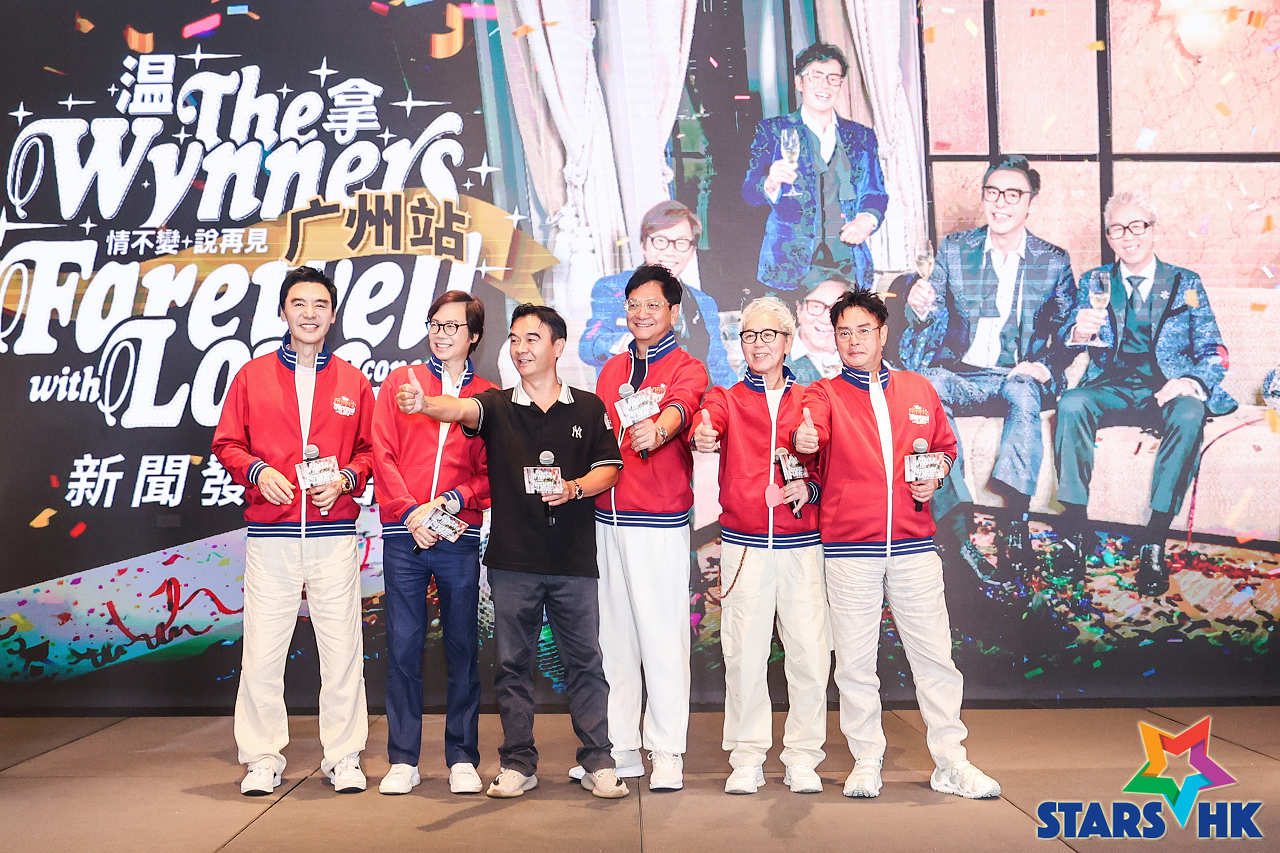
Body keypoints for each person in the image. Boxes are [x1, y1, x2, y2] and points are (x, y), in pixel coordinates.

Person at [395, 303, 629, 800]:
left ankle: (598, 760)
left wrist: (574, 488)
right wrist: (425, 404)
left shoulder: (588, 407)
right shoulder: (497, 405)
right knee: (512, 666)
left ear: (558, 347)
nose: (521, 349)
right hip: (512, 562)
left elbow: (610, 468)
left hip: (572, 561)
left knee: (585, 662)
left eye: (532, 339)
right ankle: (518, 763)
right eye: (515, 340)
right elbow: (460, 409)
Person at [795, 287, 1001, 800]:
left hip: (913, 549)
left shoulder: (917, 388)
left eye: (864, 330)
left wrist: (936, 475)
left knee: (935, 659)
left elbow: (945, 448)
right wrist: (805, 439)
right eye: (844, 333)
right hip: (850, 552)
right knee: (855, 664)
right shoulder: (822, 394)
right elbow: (810, 435)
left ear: (883, 334)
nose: (854, 341)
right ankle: (866, 760)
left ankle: (952, 762)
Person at [212, 266, 375, 796]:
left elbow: (371, 451)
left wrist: (346, 480)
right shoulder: (252, 376)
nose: (309, 313)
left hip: (334, 535)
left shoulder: (352, 381)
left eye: (319, 304)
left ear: (332, 314)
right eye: (299, 304)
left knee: (343, 650)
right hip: (271, 537)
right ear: (283, 311)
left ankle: (344, 756)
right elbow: (227, 443)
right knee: (262, 652)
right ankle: (262, 758)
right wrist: (258, 472)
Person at [898, 155, 1075, 578]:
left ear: (1030, 202)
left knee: (1024, 392)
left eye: (1013, 195)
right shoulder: (955, 250)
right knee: (921, 392)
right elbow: (930, 311)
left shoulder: (1052, 260)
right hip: (960, 372)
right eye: (993, 193)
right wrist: (918, 306)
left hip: (1015, 374)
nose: (1001, 203)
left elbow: (1070, 329)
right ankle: (955, 529)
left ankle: (1015, 522)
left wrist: (1045, 366)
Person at [1053, 191, 1235, 593]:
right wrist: (1077, 332)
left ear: (1154, 230)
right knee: (1071, 403)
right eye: (1118, 229)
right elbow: (1068, 340)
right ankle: (1076, 528)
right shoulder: (1095, 281)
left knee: (1190, 412)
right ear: (1109, 237)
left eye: (1137, 226)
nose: (1128, 236)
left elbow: (1215, 351)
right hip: (1112, 386)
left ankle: (1154, 539)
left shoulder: (1186, 283)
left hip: (1165, 389)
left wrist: (1190, 382)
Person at [690, 297, 829, 795]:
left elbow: (820, 448)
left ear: (788, 341)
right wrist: (704, 433)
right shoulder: (726, 397)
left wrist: (809, 476)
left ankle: (803, 757)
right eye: (749, 335)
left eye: (768, 335)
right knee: (743, 653)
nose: (758, 344)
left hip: (801, 546)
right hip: (744, 546)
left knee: (809, 653)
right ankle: (747, 756)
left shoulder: (811, 397)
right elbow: (707, 422)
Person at [585, 264, 710, 792]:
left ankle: (668, 750)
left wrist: (658, 429)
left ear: (673, 312)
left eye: (653, 305)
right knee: (614, 640)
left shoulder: (687, 367)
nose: (641, 313)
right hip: (606, 518)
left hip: (658, 520)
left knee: (662, 639)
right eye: (633, 304)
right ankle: (621, 749)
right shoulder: (611, 369)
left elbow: (681, 409)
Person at [371, 290, 495, 795]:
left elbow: (492, 473)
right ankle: (403, 759)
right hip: (404, 534)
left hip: (458, 535)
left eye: (452, 327)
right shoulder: (401, 382)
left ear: (474, 336)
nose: (441, 334)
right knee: (403, 645)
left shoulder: (487, 396)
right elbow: (381, 452)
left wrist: (453, 500)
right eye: (435, 324)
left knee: (463, 645)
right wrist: (410, 512)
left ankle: (462, 757)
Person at [742, 42, 888, 293]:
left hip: (846, 263)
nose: (825, 85)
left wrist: (866, 220)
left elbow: (875, 194)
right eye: (816, 76)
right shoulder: (772, 131)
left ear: (840, 85)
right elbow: (749, 193)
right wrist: (770, 182)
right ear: (800, 83)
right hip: (788, 265)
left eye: (833, 78)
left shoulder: (862, 136)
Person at [580, 200, 734, 386]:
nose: (670, 252)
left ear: (692, 250)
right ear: (644, 245)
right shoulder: (612, 288)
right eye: (660, 241)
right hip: (635, 401)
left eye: (681, 243)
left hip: (694, 399)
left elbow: (720, 370)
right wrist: (626, 342)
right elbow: (588, 344)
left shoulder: (704, 302)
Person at [789, 269, 851, 383]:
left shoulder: (868, 361)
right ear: (799, 309)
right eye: (816, 306)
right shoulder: (772, 361)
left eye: (837, 308)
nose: (827, 319)